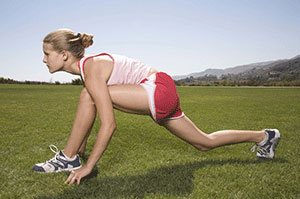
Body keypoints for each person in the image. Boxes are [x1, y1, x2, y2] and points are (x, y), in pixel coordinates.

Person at [32, 29, 281, 185]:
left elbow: (108, 124)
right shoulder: (90, 70)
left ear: (64, 54)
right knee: (204, 142)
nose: (44, 59)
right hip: (161, 88)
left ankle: (69, 158)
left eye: (47, 53)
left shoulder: (92, 68)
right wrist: (82, 147)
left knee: (89, 95)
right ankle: (263, 136)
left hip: (155, 89)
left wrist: (88, 167)